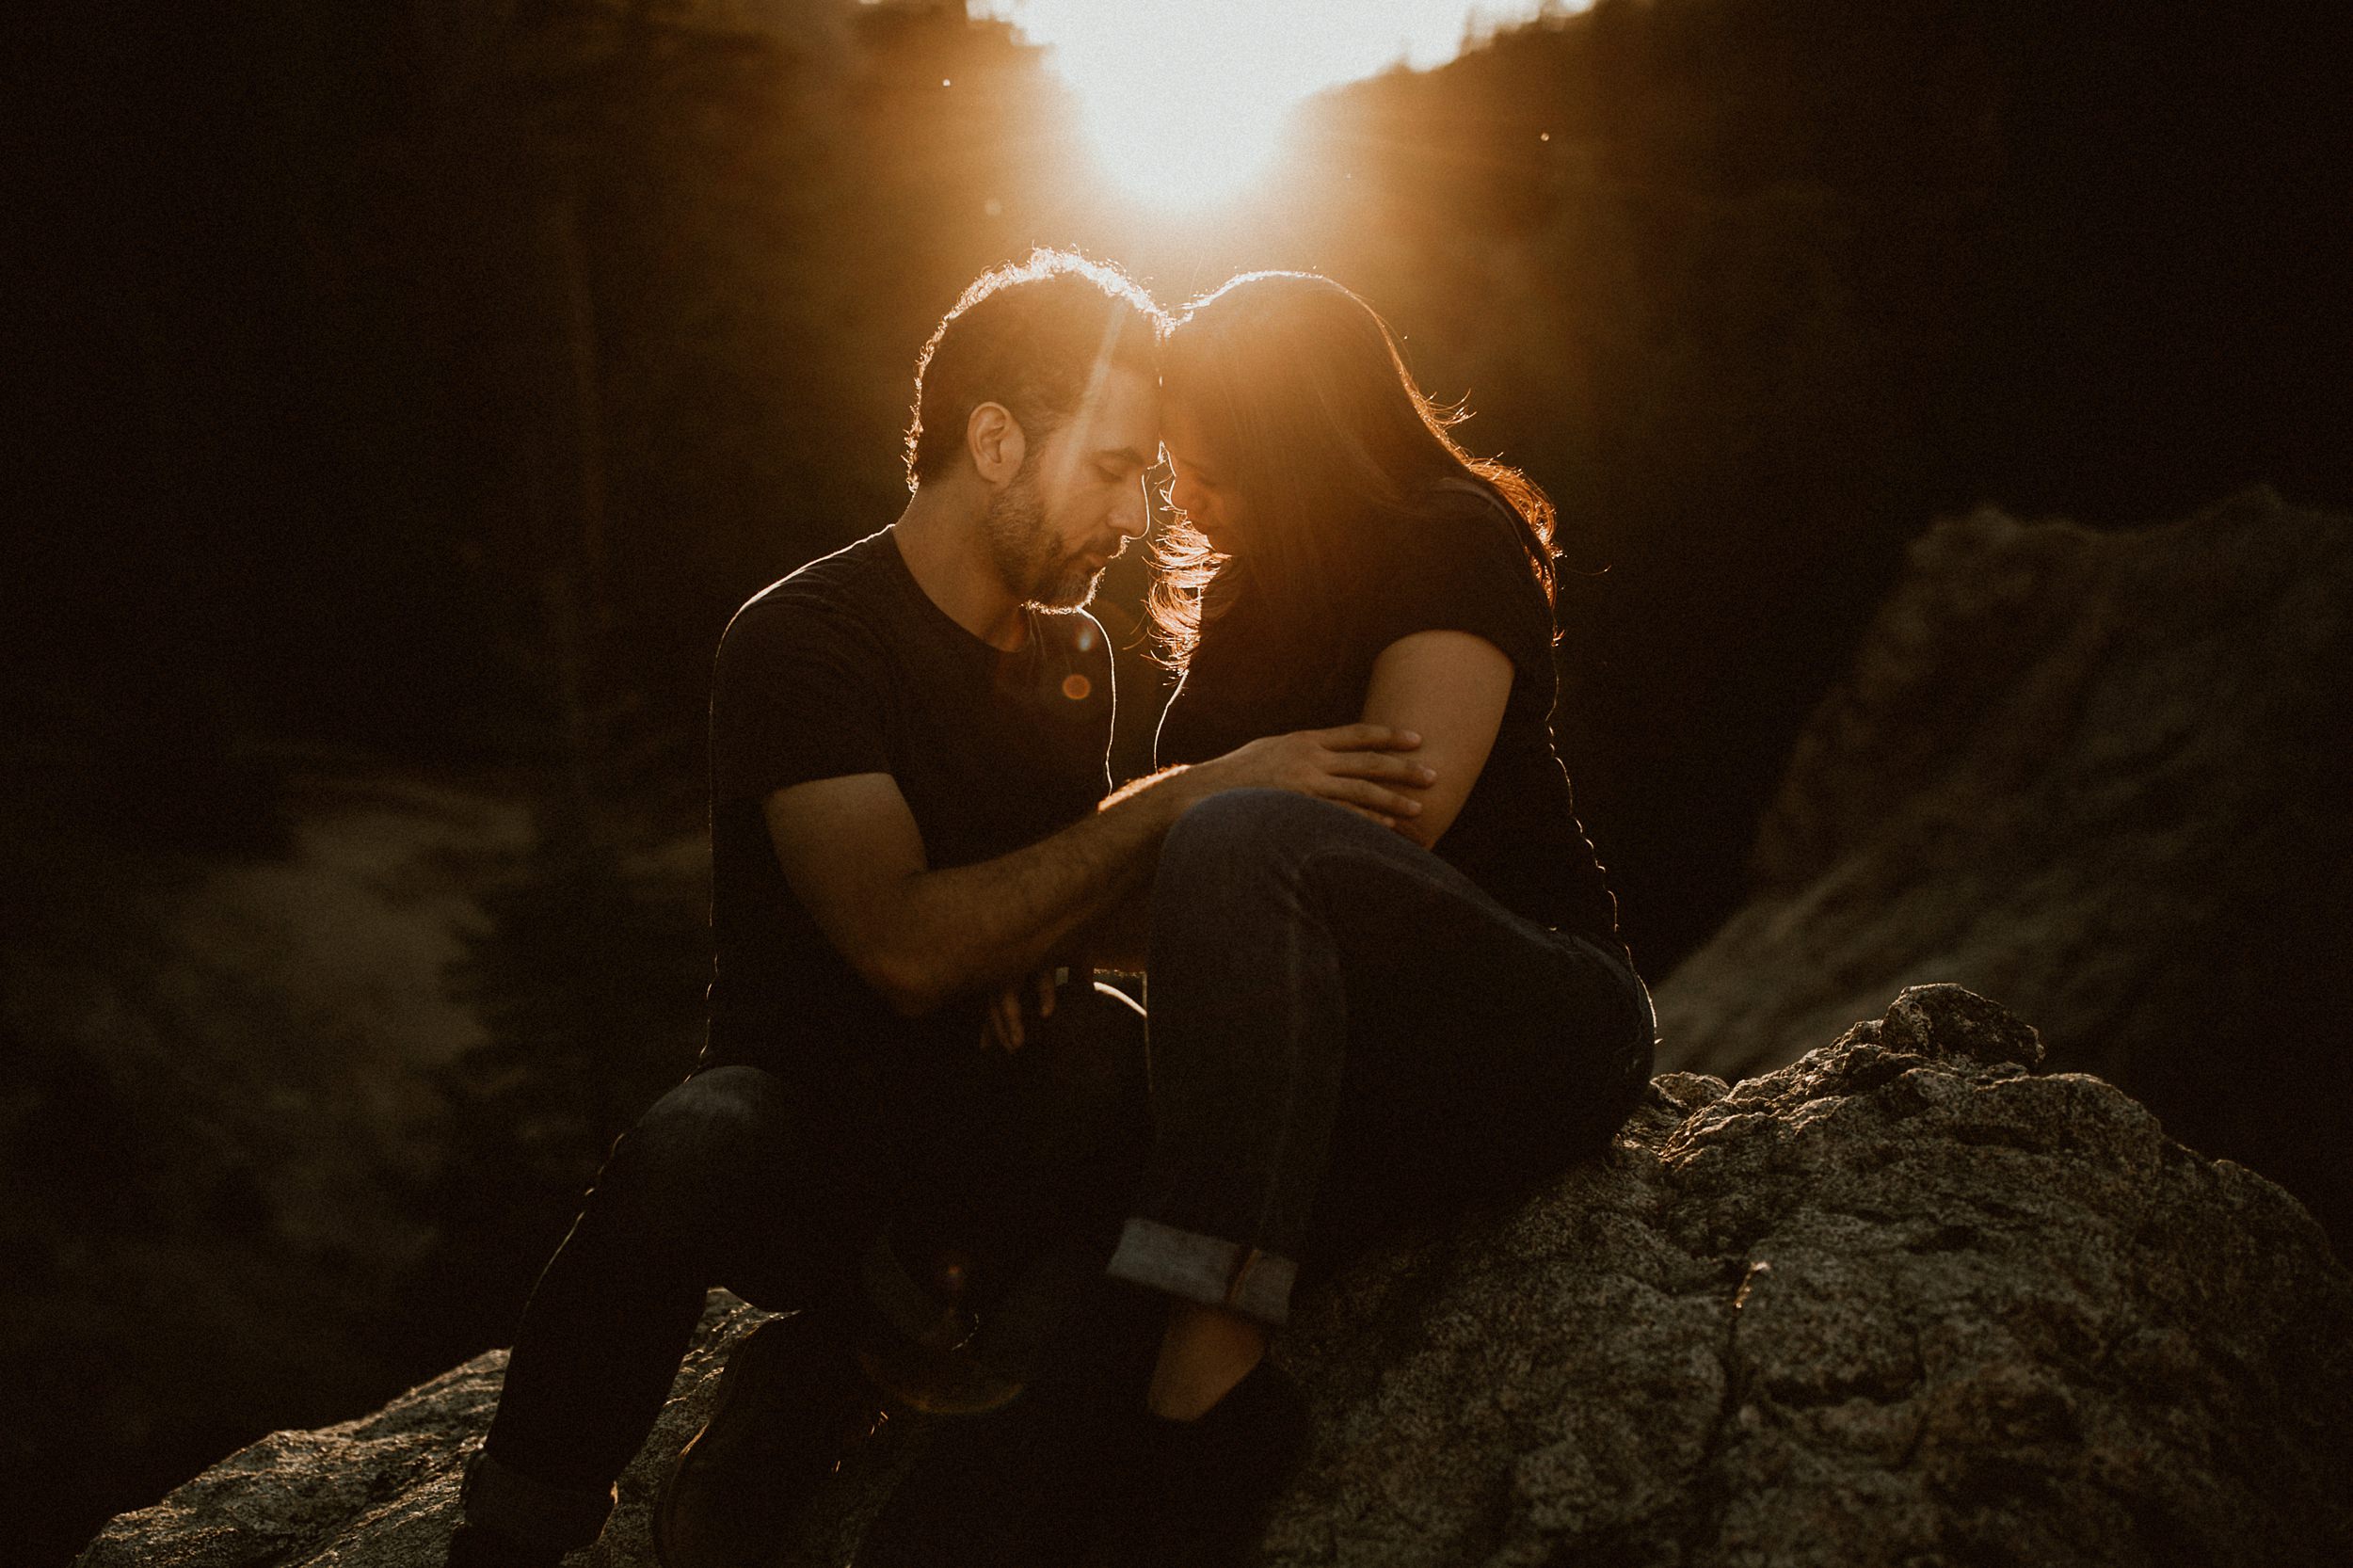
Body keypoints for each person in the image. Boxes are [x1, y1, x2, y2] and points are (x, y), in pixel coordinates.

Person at [442, 251, 1435, 1568]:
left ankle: (840, 1396)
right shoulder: (806, 639)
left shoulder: (1074, 653)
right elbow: (904, 947)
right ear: (994, 441)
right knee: (697, 1135)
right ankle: (511, 1538)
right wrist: (1186, 796)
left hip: (995, 1146)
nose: (1140, 514)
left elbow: (1062, 905)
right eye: (1113, 465)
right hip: (816, 1146)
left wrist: (1244, 879)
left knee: (1140, 1070)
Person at [1093, 270, 1658, 1564]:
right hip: (1343, 1067)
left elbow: (1399, 815)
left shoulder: (1447, 537)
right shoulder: (1244, 596)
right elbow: (1190, 900)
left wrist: (1204, 821)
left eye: (1210, 467)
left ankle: (1212, 1379)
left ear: (1295, 445)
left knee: (1246, 829)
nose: (1186, 503)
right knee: (1076, 1305)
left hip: (1535, 1016)